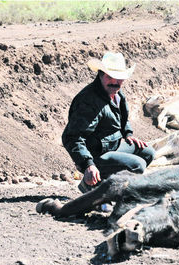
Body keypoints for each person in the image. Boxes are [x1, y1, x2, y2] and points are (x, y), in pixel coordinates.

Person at [62, 52, 155, 194]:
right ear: (100, 75)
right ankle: (99, 189)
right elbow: (72, 137)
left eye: (119, 78)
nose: (115, 82)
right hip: (95, 154)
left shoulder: (117, 93)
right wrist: (88, 164)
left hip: (113, 146)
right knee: (138, 165)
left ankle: (99, 185)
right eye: (110, 77)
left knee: (148, 153)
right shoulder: (88, 101)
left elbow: (122, 119)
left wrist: (127, 134)